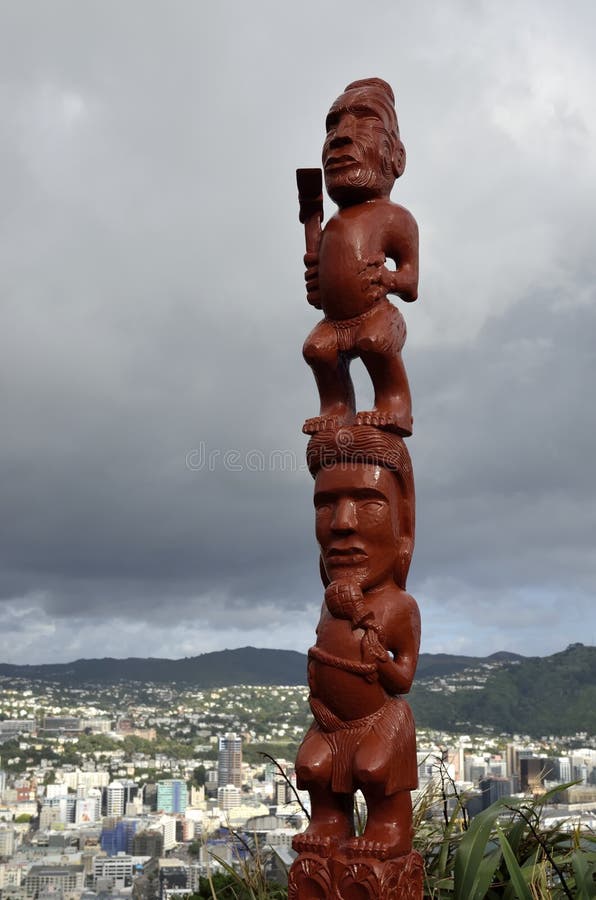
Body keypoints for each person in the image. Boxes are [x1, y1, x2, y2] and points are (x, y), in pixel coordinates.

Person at [293, 427, 420, 861]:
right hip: (330, 723)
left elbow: (402, 679)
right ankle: (330, 819)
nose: (341, 523)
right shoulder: (328, 605)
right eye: (324, 505)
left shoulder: (398, 606)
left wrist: (378, 661)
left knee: (374, 766)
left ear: (402, 519)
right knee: (312, 767)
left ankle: (390, 824)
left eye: (368, 504)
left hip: (378, 718)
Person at [302, 77, 419, 437]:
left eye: (364, 119)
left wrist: (389, 279)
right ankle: (336, 406)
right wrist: (317, 280)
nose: (340, 135)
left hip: (376, 316)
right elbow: (321, 282)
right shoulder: (330, 225)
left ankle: (395, 403)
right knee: (317, 349)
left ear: (396, 157)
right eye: (332, 126)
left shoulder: (394, 218)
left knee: (373, 342)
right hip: (336, 323)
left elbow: (411, 281)